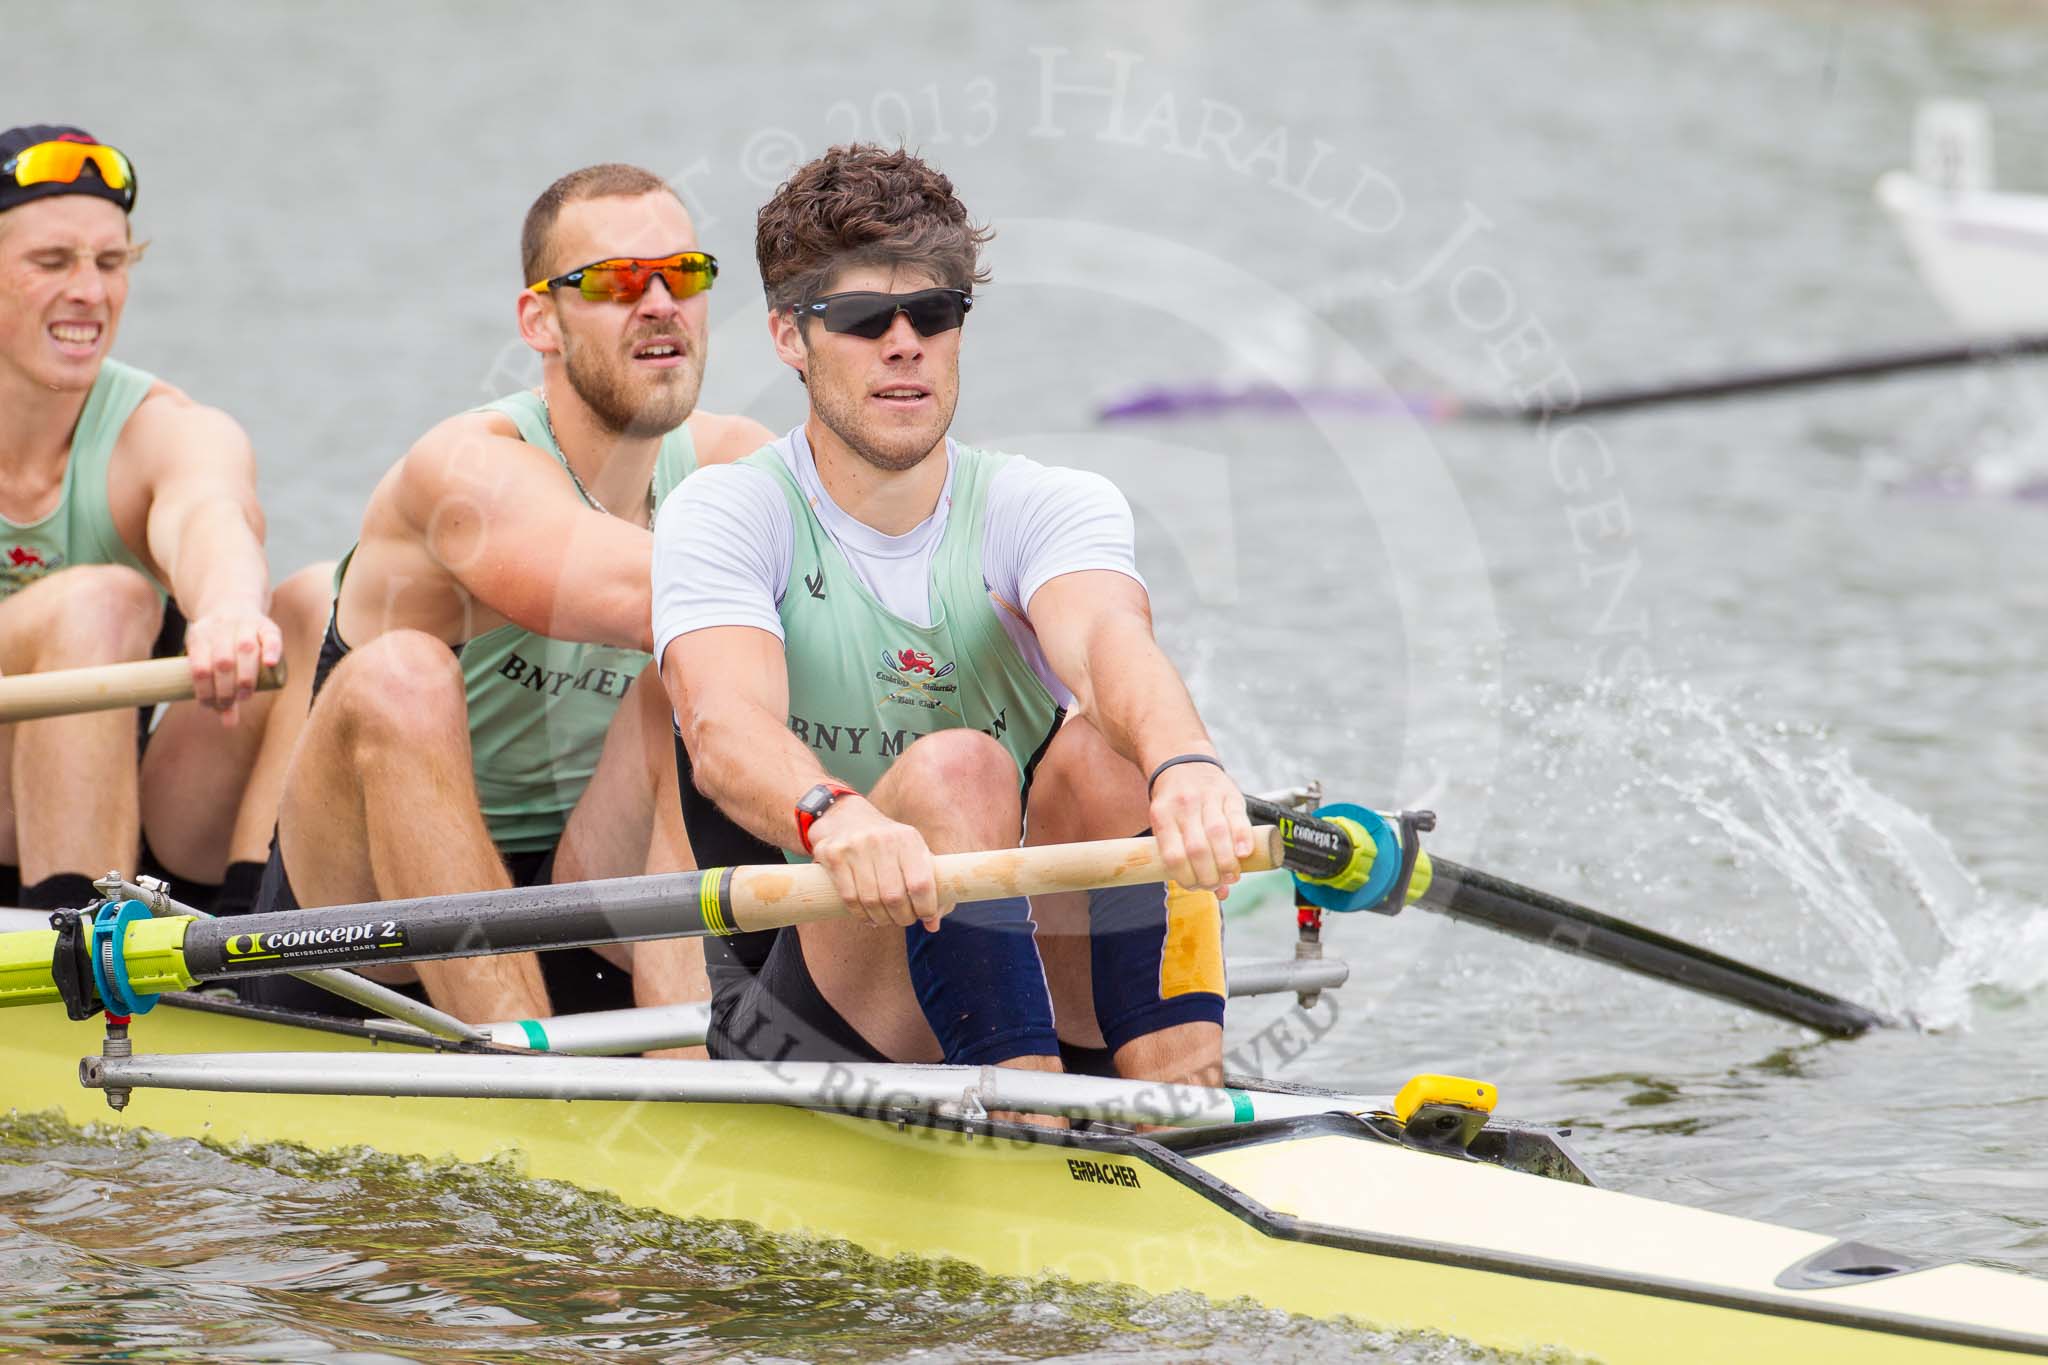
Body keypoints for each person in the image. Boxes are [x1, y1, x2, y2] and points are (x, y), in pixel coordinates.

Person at [655, 144, 1251, 1086]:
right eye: (859, 317)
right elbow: (724, 729)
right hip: (817, 1003)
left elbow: (1106, 642)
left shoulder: (1048, 502)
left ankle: (1185, 1098)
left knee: (1111, 749)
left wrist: (1188, 768)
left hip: (1019, 961)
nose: (904, 343)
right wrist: (834, 817)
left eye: (932, 312)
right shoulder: (731, 512)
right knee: (958, 771)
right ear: (786, 336)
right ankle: (1031, 1124)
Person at [247, 162, 771, 1025]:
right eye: (613, 282)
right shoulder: (467, 467)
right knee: (401, 677)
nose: (659, 303)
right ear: (541, 321)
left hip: (576, 894)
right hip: (366, 932)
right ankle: (525, 1076)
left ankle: (698, 1077)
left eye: (683, 274)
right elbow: (626, 585)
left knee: (673, 692)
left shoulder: (731, 460)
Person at [0, 124, 329, 916]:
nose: (90, 291)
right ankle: (70, 961)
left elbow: (211, 515)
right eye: (52, 263)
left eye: (110, 264)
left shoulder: (163, 429)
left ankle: (264, 951)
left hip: (138, 814)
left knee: (322, 600)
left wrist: (228, 612)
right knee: (102, 600)